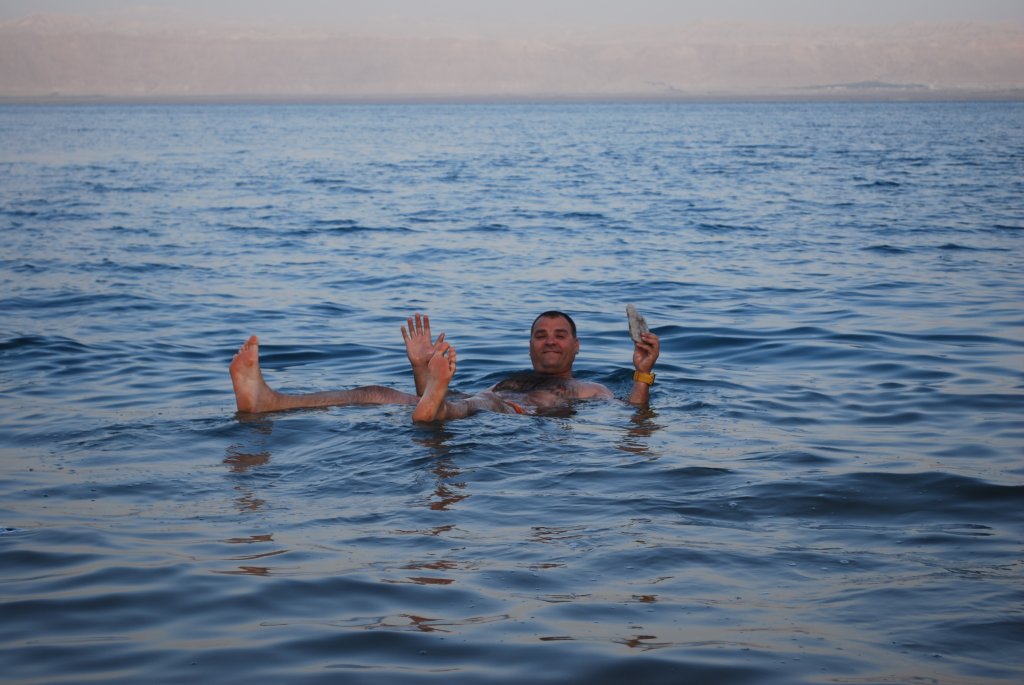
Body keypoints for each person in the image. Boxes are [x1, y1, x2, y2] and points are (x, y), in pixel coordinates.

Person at [229, 311, 660, 422]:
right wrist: (423, 372)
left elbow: (634, 418)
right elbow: (428, 403)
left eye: (560, 335)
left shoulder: (591, 389)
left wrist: (642, 372)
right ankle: (269, 401)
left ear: (577, 347)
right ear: (530, 345)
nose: (550, 340)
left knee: (468, 405)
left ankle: (437, 393)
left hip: (509, 413)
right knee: (375, 393)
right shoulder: (510, 377)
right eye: (541, 335)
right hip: (470, 402)